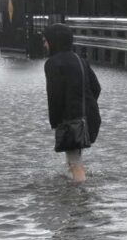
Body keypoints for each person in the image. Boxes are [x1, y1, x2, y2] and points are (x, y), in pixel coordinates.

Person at [43, 23, 101, 182]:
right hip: (89, 118)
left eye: (46, 40)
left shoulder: (53, 63)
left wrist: (55, 121)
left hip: (72, 120)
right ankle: (76, 186)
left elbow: (54, 95)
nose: (44, 44)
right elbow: (96, 88)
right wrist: (87, 109)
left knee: (74, 162)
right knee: (75, 157)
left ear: (55, 41)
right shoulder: (80, 60)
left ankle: (80, 196)